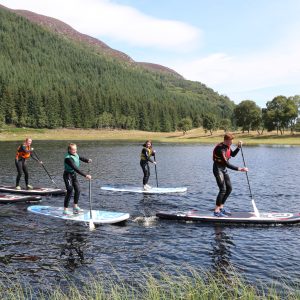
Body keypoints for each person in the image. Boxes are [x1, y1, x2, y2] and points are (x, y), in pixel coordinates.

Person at [212, 133, 248, 217]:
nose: (231, 143)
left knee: (229, 188)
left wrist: (238, 147)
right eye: (230, 142)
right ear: (226, 140)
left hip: (223, 169)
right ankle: (216, 211)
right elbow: (227, 164)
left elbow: (233, 154)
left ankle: (221, 208)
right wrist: (240, 169)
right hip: (218, 169)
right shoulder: (220, 149)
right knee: (223, 189)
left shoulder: (227, 147)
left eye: (232, 141)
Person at [63, 143, 92, 215]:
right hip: (67, 175)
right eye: (73, 149)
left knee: (78, 190)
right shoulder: (68, 158)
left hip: (73, 175)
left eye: (76, 149)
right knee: (70, 190)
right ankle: (65, 210)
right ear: (69, 150)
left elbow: (80, 157)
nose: (75, 151)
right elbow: (75, 169)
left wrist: (87, 160)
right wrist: (85, 175)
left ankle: (75, 206)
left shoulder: (75, 154)